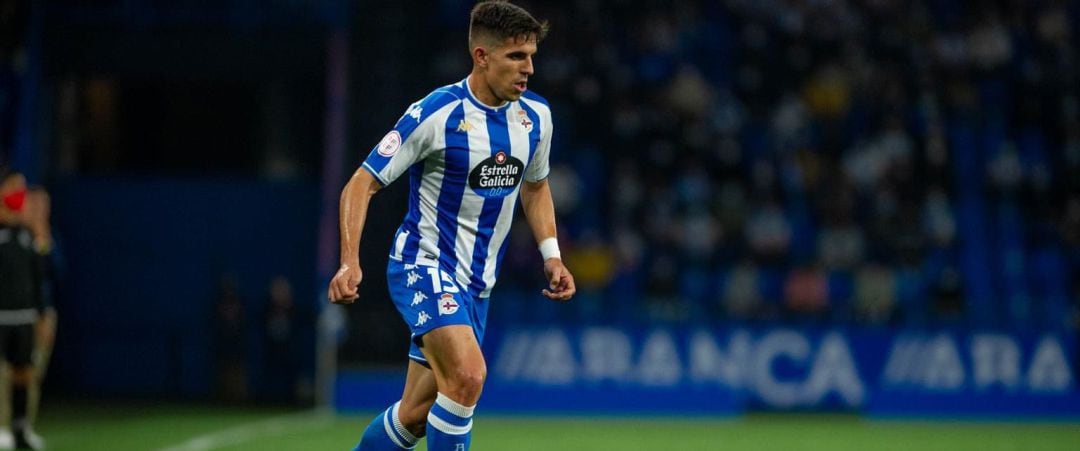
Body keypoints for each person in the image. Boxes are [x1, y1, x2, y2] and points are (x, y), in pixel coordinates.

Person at [327, 2, 575, 450]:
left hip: (476, 285)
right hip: (423, 264)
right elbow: (360, 185)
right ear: (481, 56)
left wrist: (552, 256)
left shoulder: (536, 118)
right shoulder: (436, 113)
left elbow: (535, 187)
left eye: (532, 57)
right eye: (516, 57)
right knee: (468, 376)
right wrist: (349, 261)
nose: (529, 69)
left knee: (416, 415)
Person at [0, 167, 46, 450]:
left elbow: (39, 276)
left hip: (24, 316)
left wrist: (40, 314)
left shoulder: (29, 237)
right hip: (1, 317)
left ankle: (20, 428)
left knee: (23, 373)